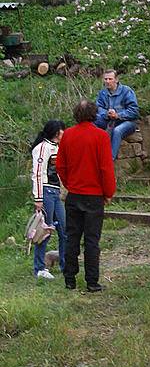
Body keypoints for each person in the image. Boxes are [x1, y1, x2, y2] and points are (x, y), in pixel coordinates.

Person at [56, 100, 116, 292]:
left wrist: (69, 184)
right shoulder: (101, 136)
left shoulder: (68, 135)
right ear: (94, 114)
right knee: (91, 240)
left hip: (74, 194)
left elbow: (60, 165)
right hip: (94, 195)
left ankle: (69, 279)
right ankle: (92, 281)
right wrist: (108, 192)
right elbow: (106, 168)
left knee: (71, 237)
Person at [30, 120, 67, 279]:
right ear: (56, 132)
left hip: (56, 192)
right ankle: (39, 267)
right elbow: (38, 173)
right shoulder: (41, 149)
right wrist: (38, 197)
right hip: (45, 191)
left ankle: (65, 264)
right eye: (62, 130)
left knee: (64, 229)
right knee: (45, 230)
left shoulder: (58, 148)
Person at [94, 69, 140, 160]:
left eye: (110, 79)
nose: (107, 81)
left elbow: (134, 111)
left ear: (116, 80)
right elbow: (98, 108)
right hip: (108, 120)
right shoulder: (102, 93)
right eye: (105, 79)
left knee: (117, 131)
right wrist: (106, 113)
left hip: (127, 121)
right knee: (92, 121)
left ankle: (110, 159)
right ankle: (91, 153)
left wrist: (118, 114)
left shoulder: (127, 91)